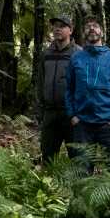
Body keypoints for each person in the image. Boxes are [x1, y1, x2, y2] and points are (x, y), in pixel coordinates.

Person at [65, 17, 110, 176]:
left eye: (95, 26)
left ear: (102, 31)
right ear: (83, 32)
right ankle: (82, 200)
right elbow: (69, 88)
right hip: (83, 124)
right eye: (88, 27)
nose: (92, 29)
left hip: (109, 123)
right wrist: (72, 115)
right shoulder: (76, 58)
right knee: (81, 170)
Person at [35, 15, 76, 164]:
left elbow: (85, 87)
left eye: (62, 26)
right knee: (48, 158)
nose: (57, 28)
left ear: (70, 30)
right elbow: (40, 83)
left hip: (71, 115)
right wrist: (40, 111)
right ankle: (49, 187)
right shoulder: (46, 54)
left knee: (78, 159)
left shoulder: (78, 54)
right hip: (50, 114)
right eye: (55, 26)